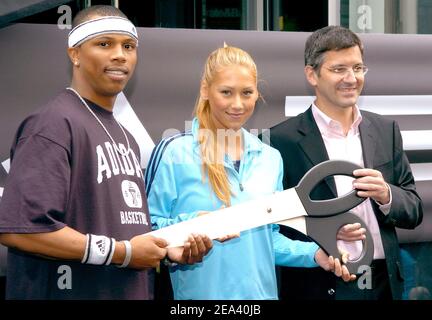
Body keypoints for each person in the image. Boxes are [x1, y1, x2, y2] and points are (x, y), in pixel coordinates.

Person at [0, 5, 211, 300]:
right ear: (74, 53)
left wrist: (166, 250)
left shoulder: (127, 137)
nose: (120, 55)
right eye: (104, 44)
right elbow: (21, 230)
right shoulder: (52, 124)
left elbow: (122, 230)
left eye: (128, 46)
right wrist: (122, 253)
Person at [145, 45, 356, 300]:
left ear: (257, 94)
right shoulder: (174, 152)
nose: (237, 104)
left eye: (247, 93)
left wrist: (314, 254)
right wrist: (198, 225)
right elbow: (147, 232)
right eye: (226, 92)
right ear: (205, 90)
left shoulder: (269, 157)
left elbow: (268, 240)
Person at [268, 25, 423, 300]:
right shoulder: (280, 140)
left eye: (358, 68)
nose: (351, 78)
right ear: (311, 74)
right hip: (318, 283)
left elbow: (413, 209)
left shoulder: (385, 130)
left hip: (383, 282)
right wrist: (325, 235)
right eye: (339, 69)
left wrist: (387, 194)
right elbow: (272, 227)